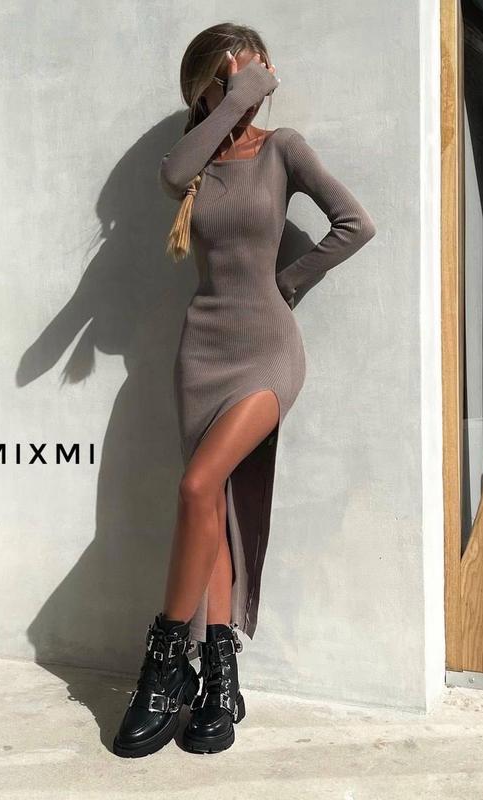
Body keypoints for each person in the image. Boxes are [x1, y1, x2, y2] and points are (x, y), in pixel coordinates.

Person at [113, 22, 376, 758]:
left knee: (197, 487)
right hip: (200, 353)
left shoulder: (283, 148)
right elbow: (172, 176)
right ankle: (220, 682)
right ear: (206, 86)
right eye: (232, 80)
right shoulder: (195, 161)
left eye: (256, 77)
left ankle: (166, 663)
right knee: (217, 506)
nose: (250, 93)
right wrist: (230, 99)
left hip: (266, 353)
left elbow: (355, 224)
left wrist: (289, 283)